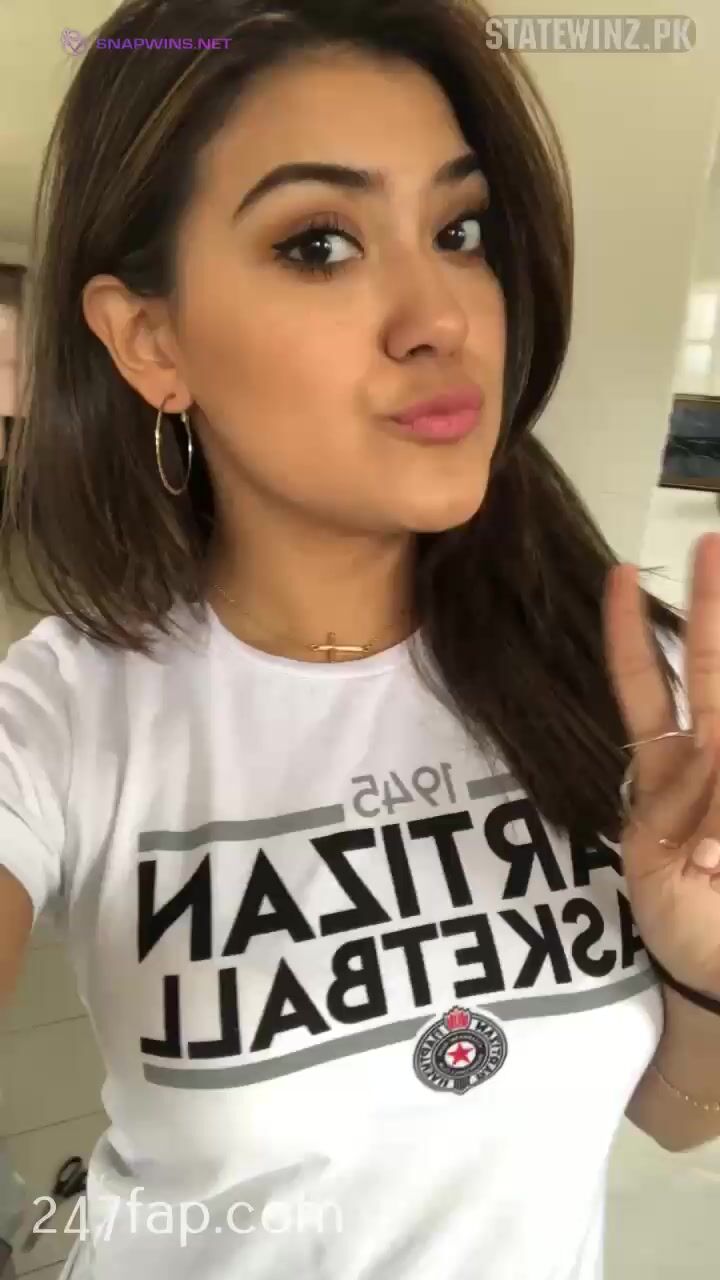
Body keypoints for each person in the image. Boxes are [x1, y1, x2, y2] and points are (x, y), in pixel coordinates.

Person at [0, 0, 707, 1277]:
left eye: (461, 230)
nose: (441, 317)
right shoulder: (60, 711)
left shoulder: (621, 683)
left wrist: (707, 973)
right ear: (152, 340)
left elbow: (672, 1112)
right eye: (319, 243)